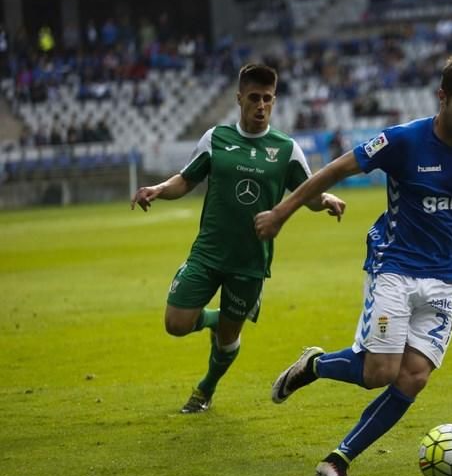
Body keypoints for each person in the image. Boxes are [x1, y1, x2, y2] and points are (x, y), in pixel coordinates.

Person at [254, 56, 452, 476]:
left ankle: (337, 460)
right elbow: (334, 170)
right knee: (378, 372)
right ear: (441, 97)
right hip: (395, 265)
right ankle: (312, 367)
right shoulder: (403, 141)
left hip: (446, 277)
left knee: (414, 376)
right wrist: (281, 213)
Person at [130, 64, 345, 413]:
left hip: (250, 262)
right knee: (176, 324)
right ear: (239, 99)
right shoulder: (216, 138)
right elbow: (186, 179)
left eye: (267, 99)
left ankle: (205, 390)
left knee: (228, 341)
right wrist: (158, 188)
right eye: (254, 98)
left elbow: (308, 193)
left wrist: (327, 200)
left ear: (274, 101)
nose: (261, 106)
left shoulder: (286, 149)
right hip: (208, 252)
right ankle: (217, 318)